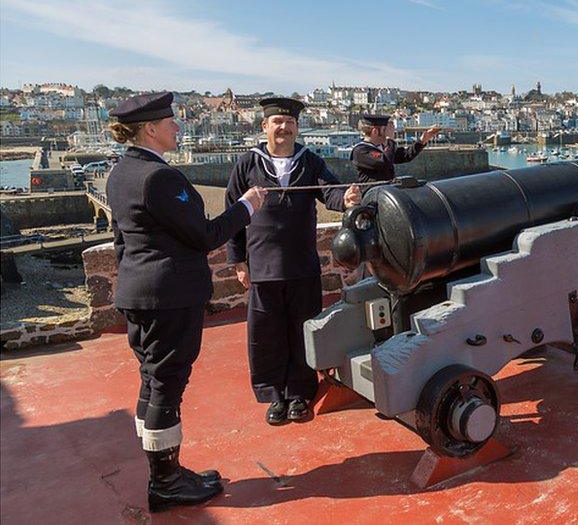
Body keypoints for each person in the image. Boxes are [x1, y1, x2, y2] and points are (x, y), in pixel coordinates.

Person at [105, 92, 267, 512]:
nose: (178, 127)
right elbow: (204, 236)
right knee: (166, 386)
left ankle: (168, 471)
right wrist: (245, 207)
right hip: (169, 297)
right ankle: (165, 484)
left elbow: (124, 242)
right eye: (171, 122)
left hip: (140, 294)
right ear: (150, 129)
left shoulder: (120, 172)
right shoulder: (159, 179)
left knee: (152, 379)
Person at [224, 97, 361, 425]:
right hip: (262, 266)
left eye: (289, 123)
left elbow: (330, 193)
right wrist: (238, 261)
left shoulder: (309, 161)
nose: (283, 128)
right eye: (277, 123)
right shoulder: (248, 164)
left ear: (297, 128)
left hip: (301, 264)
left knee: (302, 331)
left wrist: (347, 199)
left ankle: (300, 393)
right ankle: (274, 393)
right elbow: (232, 213)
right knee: (267, 334)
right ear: (265, 127)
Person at [350, 114, 441, 183]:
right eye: (385, 129)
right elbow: (385, 161)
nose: (390, 132)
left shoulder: (382, 147)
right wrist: (390, 139)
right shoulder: (360, 151)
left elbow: (405, 155)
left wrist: (422, 140)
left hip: (386, 192)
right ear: (375, 131)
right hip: (372, 194)